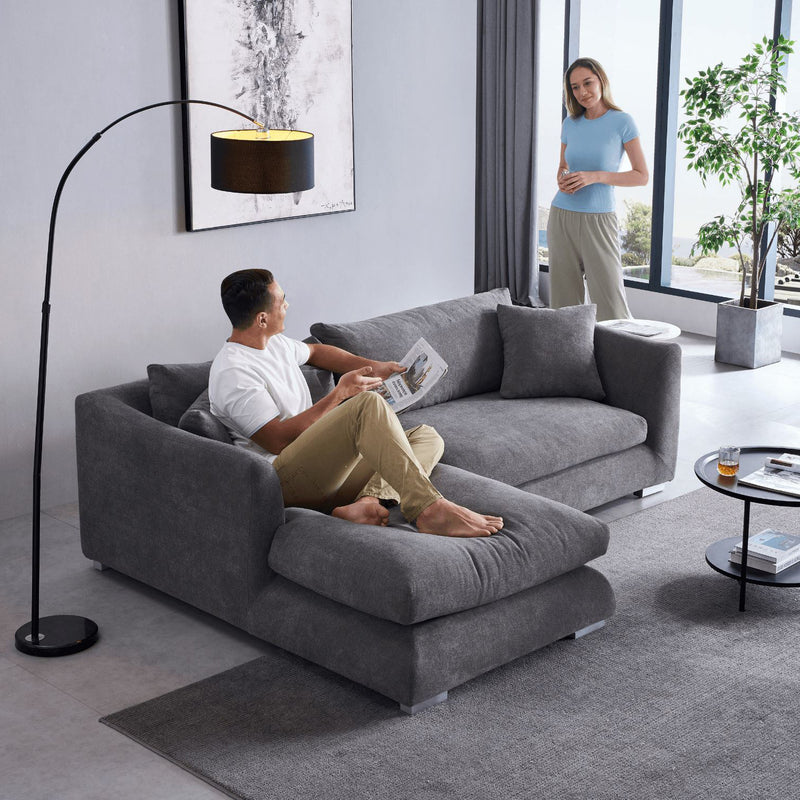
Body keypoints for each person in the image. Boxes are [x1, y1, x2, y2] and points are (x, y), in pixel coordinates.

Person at [208, 269, 504, 538]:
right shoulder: (233, 372)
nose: (287, 305)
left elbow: (316, 352)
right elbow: (277, 440)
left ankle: (368, 500)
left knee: (426, 436)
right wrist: (338, 395)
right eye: (282, 301)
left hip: (321, 470)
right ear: (262, 319)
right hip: (283, 480)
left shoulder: (273, 343)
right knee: (365, 405)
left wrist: (375, 367)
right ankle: (429, 509)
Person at [547, 57, 649, 322]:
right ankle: (567, 348)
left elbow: (641, 176)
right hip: (561, 216)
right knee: (563, 304)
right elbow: (563, 165)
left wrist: (596, 177)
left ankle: (620, 348)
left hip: (599, 219)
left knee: (611, 303)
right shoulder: (570, 123)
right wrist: (562, 178)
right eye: (575, 87)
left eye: (587, 83)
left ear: (601, 80)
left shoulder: (622, 122)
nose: (582, 92)